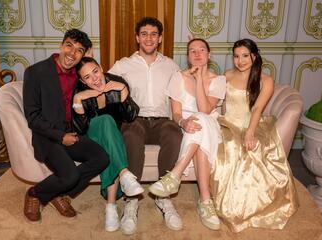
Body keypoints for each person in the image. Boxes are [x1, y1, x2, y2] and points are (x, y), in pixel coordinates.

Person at [212, 38, 299, 232]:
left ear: (254, 56)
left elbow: (258, 108)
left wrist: (250, 133)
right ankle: (226, 204)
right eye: (236, 56)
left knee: (248, 150)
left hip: (252, 124)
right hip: (228, 123)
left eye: (245, 55)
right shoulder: (227, 75)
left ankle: (248, 207)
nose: (240, 60)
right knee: (229, 148)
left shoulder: (265, 80)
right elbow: (214, 95)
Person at [23, 29, 109, 222]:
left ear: (84, 54)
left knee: (102, 158)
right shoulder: (35, 72)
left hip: (72, 133)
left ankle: (59, 195)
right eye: (69, 45)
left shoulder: (79, 76)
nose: (72, 53)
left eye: (79, 50)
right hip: (47, 136)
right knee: (69, 175)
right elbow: (32, 116)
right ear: (62, 45)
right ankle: (36, 193)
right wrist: (60, 137)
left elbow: (98, 80)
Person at [108, 17, 183, 234]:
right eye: (144, 34)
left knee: (174, 134)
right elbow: (102, 84)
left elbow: (182, 92)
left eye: (153, 34)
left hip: (162, 120)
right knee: (130, 135)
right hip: (136, 119)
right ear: (137, 38)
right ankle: (131, 200)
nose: (148, 38)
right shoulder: (123, 65)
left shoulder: (171, 65)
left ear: (159, 39)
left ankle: (163, 195)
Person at [148, 38, 226, 230]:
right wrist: (184, 122)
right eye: (192, 51)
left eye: (201, 50)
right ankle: (206, 202)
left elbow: (205, 110)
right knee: (197, 131)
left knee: (201, 118)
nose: (197, 54)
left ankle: (175, 174)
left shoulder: (219, 80)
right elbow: (175, 113)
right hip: (186, 129)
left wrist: (199, 79)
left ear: (209, 54)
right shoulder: (178, 77)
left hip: (209, 125)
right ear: (188, 56)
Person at [72, 57, 144, 232]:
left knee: (109, 145)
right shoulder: (80, 90)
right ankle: (125, 173)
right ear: (82, 80)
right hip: (90, 135)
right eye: (87, 77)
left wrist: (122, 90)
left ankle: (111, 206)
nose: (94, 79)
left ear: (101, 67)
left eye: (95, 71)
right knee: (104, 120)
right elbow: (79, 129)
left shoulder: (116, 82)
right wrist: (78, 100)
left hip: (112, 137)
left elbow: (131, 116)